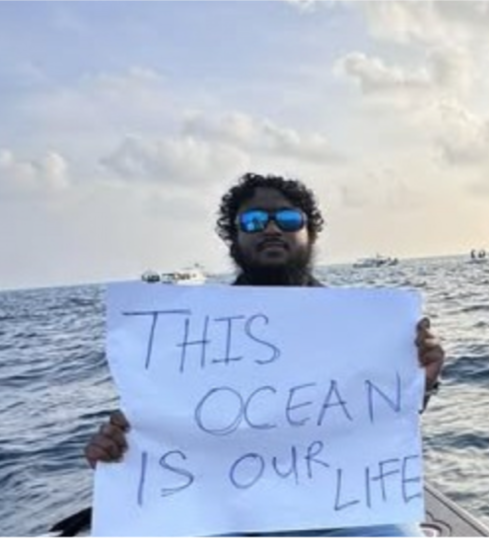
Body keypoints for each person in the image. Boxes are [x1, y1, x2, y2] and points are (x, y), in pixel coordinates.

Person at [84, 172, 445, 538]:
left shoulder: (364, 325)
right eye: (254, 220)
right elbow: (163, 426)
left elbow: (377, 418)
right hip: (226, 511)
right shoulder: (188, 333)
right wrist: (120, 452)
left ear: (310, 233)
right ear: (233, 239)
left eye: (287, 219)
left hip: (344, 503)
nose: (271, 229)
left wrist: (421, 381)